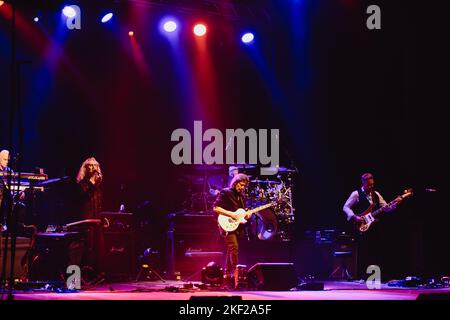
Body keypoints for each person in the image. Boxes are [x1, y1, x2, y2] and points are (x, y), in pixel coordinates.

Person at [342, 172, 403, 278]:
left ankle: (374, 276)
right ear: (363, 183)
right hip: (361, 225)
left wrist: (395, 203)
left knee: (375, 251)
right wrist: (354, 216)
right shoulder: (356, 194)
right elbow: (345, 207)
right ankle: (362, 275)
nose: (371, 186)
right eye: (369, 185)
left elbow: (386, 208)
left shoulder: (376, 194)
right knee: (363, 252)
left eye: (372, 184)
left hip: (374, 226)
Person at [213, 173, 250, 283]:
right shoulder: (226, 192)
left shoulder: (242, 197)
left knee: (231, 250)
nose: (242, 188)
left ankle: (227, 275)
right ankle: (236, 275)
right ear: (235, 182)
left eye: (244, 186)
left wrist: (247, 215)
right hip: (227, 225)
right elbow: (216, 208)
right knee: (234, 248)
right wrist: (231, 214)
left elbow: (242, 213)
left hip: (237, 226)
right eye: (241, 185)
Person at [75, 157, 104, 281]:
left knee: (97, 250)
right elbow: (83, 198)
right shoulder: (82, 184)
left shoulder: (98, 187)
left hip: (95, 222)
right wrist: (92, 183)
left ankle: (94, 275)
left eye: (95, 165)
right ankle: (76, 279)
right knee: (82, 251)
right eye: (90, 165)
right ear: (85, 168)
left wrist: (102, 217)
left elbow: (98, 205)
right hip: (84, 223)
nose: (93, 168)